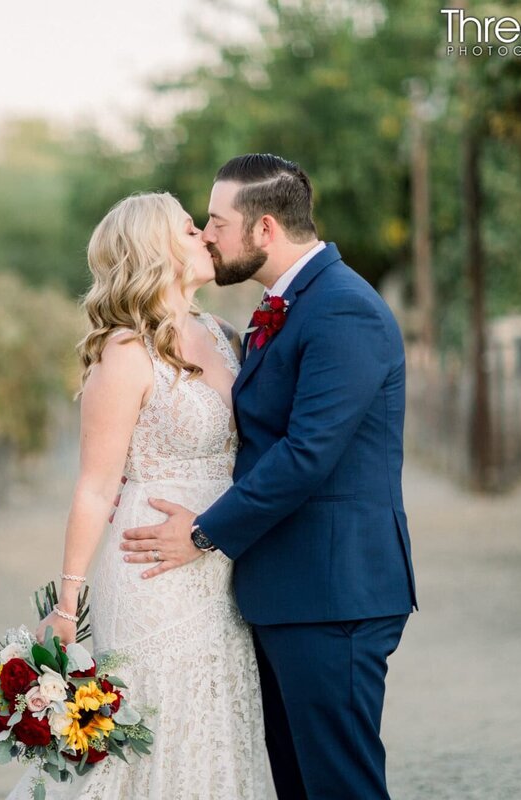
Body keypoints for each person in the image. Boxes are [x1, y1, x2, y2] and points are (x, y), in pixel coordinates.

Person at [121, 154, 418, 800]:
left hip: (333, 593)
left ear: (263, 231)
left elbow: (308, 454)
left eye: (217, 222)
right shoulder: (279, 307)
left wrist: (202, 532)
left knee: (340, 786)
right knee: (294, 784)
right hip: (287, 592)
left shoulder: (343, 310)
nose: (206, 234)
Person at [6, 191, 269, 799]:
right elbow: (96, 487)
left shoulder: (225, 334)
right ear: (156, 250)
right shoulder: (126, 352)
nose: (206, 234)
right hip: (153, 575)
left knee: (218, 729)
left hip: (221, 567)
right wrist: (68, 604)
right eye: (188, 228)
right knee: (158, 733)